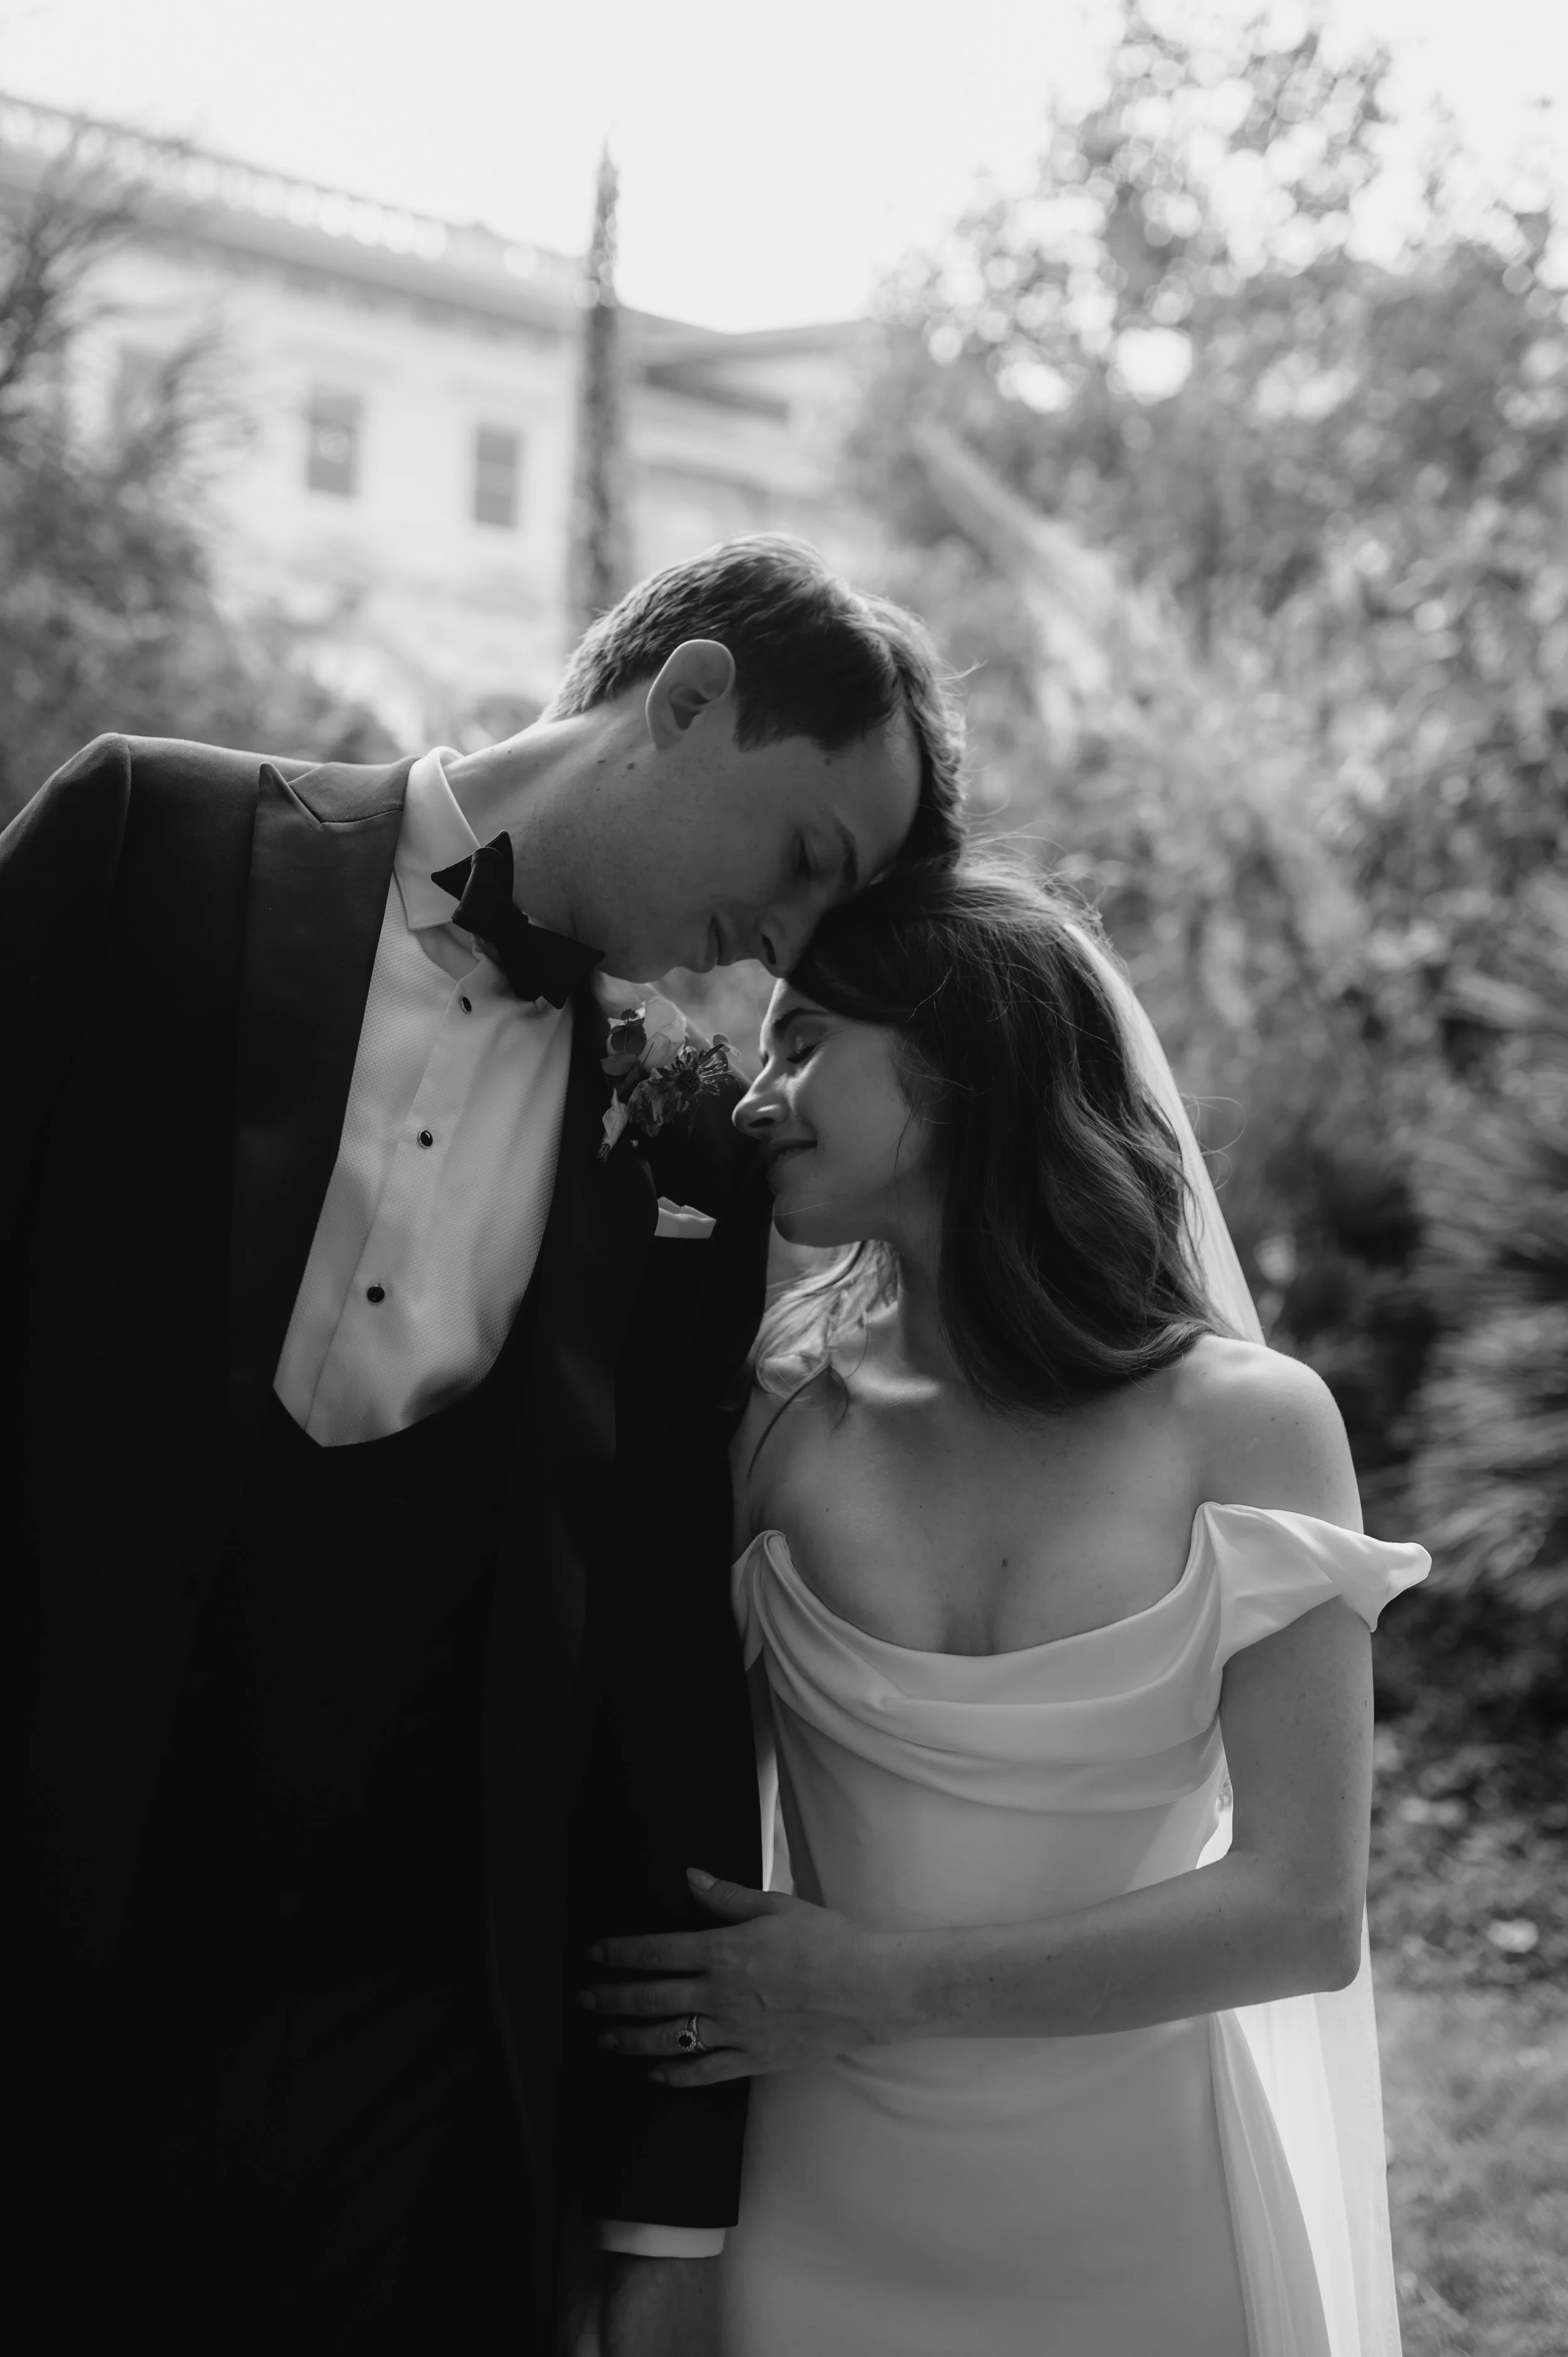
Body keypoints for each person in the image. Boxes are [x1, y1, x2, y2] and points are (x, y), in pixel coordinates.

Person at [6, 536, 964, 2355]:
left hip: (411, 2013)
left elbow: (664, 1648)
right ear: (684, 699)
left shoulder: (692, 1145)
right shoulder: (148, 840)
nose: (780, 939)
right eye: (800, 860)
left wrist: (667, 2192)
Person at [581, 855, 1429, 2357]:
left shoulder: (1250, 1425)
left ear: (964, 1066)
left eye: (803, 1041)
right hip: (812, 2218)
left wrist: (870, 1984)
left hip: (1149, 2238)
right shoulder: (768, 1412)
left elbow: (1300, 1914)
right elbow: (656, 1809)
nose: (756, 1096)